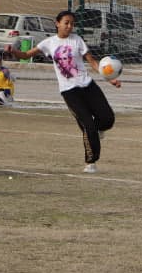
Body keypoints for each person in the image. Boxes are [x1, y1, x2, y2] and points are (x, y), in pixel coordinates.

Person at [12, 10, 120, 173]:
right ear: (57, 23)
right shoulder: (49, 43)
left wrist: (109, 78)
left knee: (108, 119)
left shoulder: (77, 40)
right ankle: (90, 162)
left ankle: (98, 131)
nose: (69, 26)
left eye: (72, 23)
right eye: (66, 23)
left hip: (88, 86)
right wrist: (12, 51)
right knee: (87, 125)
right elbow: (26, 55)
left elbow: (92, 62)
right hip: (69, 91)